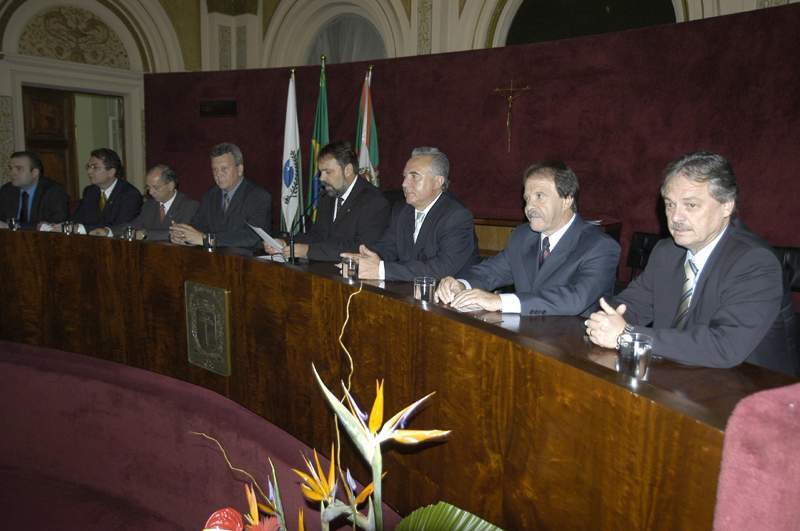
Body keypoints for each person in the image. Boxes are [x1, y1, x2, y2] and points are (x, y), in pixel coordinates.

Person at [586, 151, 798, 376]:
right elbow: (631, 306)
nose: (676, 217)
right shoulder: (666, 252)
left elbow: (724, 347)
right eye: (670, 205)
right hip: (680, 379)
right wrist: (606, 321)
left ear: (727, 205)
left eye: (691, 205)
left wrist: (626, 335)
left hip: (750, 392)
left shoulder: (755, 262)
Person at [434, 160, 620, 316]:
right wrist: (460, 284)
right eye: (527, 198)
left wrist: (499, 301)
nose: (529, 206)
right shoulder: (523, 235)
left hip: (571, 347)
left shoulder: (599, 246)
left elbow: (575, 298)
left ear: (567, 200)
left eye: (540, 196)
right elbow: (490, 272)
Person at [341, 146, 480, 281]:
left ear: (437, 182)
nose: (404, 183)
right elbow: (386, 247)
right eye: (405, 176)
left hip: (454, 297)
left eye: (414, 176)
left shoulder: (456, 215)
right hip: (412, 291)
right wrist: (366, 258)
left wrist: (381, 270)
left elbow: (443, 267)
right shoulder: (401, 209)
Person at [264, 140, 389, 260]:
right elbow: (317, 235)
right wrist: (284, 243)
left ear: (348, 170)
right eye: (321, 172)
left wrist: (308, 251)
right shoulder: (327, 195)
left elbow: (360, 248)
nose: (322, 178)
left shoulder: (374, 201)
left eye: (328, 172)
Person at [170, 143, 271, 248]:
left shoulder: (259, 196)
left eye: (224, 168)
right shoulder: (210, 194)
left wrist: (206, 239)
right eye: (215, 169)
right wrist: (182, 235)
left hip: (247, 259)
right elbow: (199, 226)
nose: (218, 174)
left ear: (240, 169)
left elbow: (252, 237)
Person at [89, 164, 199, 241]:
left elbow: (179, 233)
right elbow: (134, 225)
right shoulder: (149, 205)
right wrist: (108, 231)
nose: (151, 192)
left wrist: (144, 234)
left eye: (155, 187)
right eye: (148, 187)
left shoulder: (190, 205)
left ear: (170, 185)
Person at [57, 148, 142, 234]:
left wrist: (80, 229)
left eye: (95, 167)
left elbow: (119, 226)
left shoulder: (130, 194)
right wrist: (59, 225)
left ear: (111, 172)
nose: (89, 171)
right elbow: (77, 218)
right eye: (89, 167)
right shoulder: (90, 191)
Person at [0, 151, 69, 230]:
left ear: (34, 173)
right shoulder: (7, 190)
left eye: (19, 169)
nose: (12, 173)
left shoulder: (55, 191)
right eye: (11, 168)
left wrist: (11, 226)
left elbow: (54, 223)